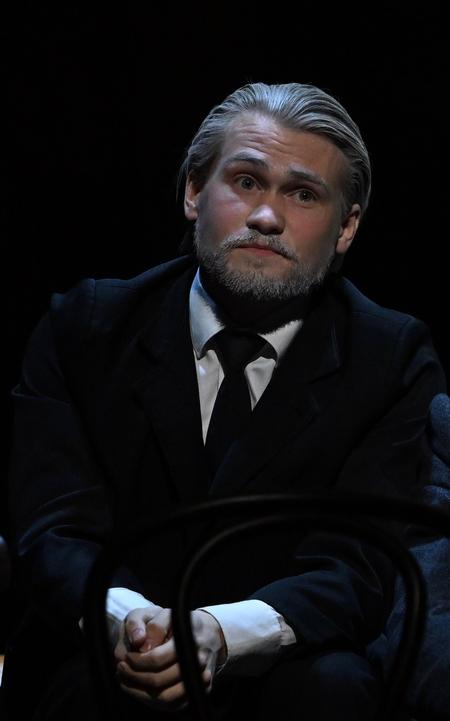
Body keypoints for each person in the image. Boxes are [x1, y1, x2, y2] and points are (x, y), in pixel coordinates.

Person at [2, 82, 446, 721]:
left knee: (335, 691)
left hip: (291, 666)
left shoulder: (392, 359)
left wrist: (220, 633)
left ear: (346, 227)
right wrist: (136, 626)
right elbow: (52, 529)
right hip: (100, 653)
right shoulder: (85, 328)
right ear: (193, 191)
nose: (266, 217)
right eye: (246, 181)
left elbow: (361, 563)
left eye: (303, 194)